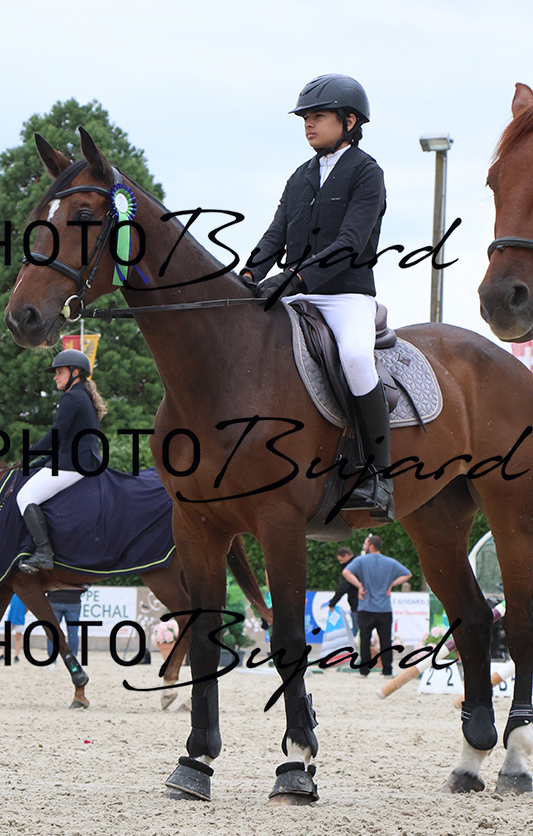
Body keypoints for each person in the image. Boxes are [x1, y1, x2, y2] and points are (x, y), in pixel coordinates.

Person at [240, 74, 393, 520]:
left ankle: (380, 475)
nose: (308, 124)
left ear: (349, 121)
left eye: (318, 116)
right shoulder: (300, 176)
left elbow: (350, 243)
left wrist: (293, 279)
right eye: (305, 117)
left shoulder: (367, 172)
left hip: (346, 296)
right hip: (296, 292)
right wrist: (249, 274)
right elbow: (275, 235)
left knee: (357, 359)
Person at [16, 349, 107, 573]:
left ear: (75, 372)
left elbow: (54, 436)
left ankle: (44, 552)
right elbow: (66, 441)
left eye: (60, 372)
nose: (55, 377)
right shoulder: (82, 396)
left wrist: (29, 454)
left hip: (74, 464)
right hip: (79, 459)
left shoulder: (71, 397)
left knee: (25, 496)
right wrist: (37, 462)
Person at [342, 534, 411, 677]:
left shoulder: (361, 560)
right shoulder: (390, 562)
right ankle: (387, 670)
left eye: (366, 544)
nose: (364, 547)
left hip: (366, 607)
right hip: (384, 608)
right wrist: (391, 584)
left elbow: (346, 572)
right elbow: (407, 574)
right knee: (385, 640)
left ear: (371, 546)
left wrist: (359, 586)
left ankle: (364, 671)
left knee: (364, 639)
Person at [45, 588, 85, 659]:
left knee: (52, 632)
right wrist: (78, 592)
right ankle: (72, 658)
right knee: (73, 633)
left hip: (54, 599)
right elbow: (86, 583)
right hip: (73, 600)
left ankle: (52, 659)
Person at [328, 546, 359, 636]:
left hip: (356, 602)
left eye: (341, 560)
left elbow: (343, 587)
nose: (341, 563)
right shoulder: (361, 562)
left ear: (346, 555)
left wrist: (333, 602)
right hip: (369, 602)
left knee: (358, 632)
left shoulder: (349, 568)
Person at [0, 594, 27, 662]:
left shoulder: (25, 595)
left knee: (18, 637)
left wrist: (23, 613)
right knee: (6, 636)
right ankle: (4, 654)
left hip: (19, 618)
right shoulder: (13, 594)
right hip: (11, 617)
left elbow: (27, 608)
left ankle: (16, 655)